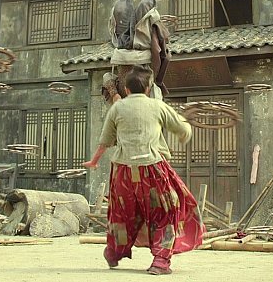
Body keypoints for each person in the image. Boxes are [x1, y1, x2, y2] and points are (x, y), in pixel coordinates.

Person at [84, 66, 204, 275]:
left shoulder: (117, 108)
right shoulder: (157, 106)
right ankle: (160, 261)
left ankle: (114, 252)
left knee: (122, 214)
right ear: (148, 89)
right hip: (152, 171)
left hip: (123, 172)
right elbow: (183, 129)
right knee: (166, 211)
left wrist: (94, 161)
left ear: (126, 89)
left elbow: (105, 140)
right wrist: (185, 130)